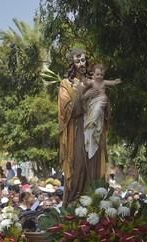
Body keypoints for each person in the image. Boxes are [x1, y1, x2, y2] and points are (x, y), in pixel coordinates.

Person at [59, 48, 105, 205]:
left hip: (93, 131)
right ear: (73, 63)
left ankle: (94, 201)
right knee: (78, 166)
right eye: (78, 61)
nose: (81, 64)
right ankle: (75, 201)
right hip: (77, 130)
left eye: (83, 60)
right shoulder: (66, 84)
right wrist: (80, 93)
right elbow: (65, 111)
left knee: (94, 168)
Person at [82, 64, 120, 161]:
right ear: (93, 75)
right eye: (98, 74)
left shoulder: (103, 82)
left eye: (101, 75)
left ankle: (93, 121)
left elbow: (111, 83)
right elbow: (85, 83)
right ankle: (91, 122)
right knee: (94, 110)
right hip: (93, 102)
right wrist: (84, 80)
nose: (99, 77)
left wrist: (116, 82)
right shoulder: (92, 82)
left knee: (98, 109)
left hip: (101, 100)